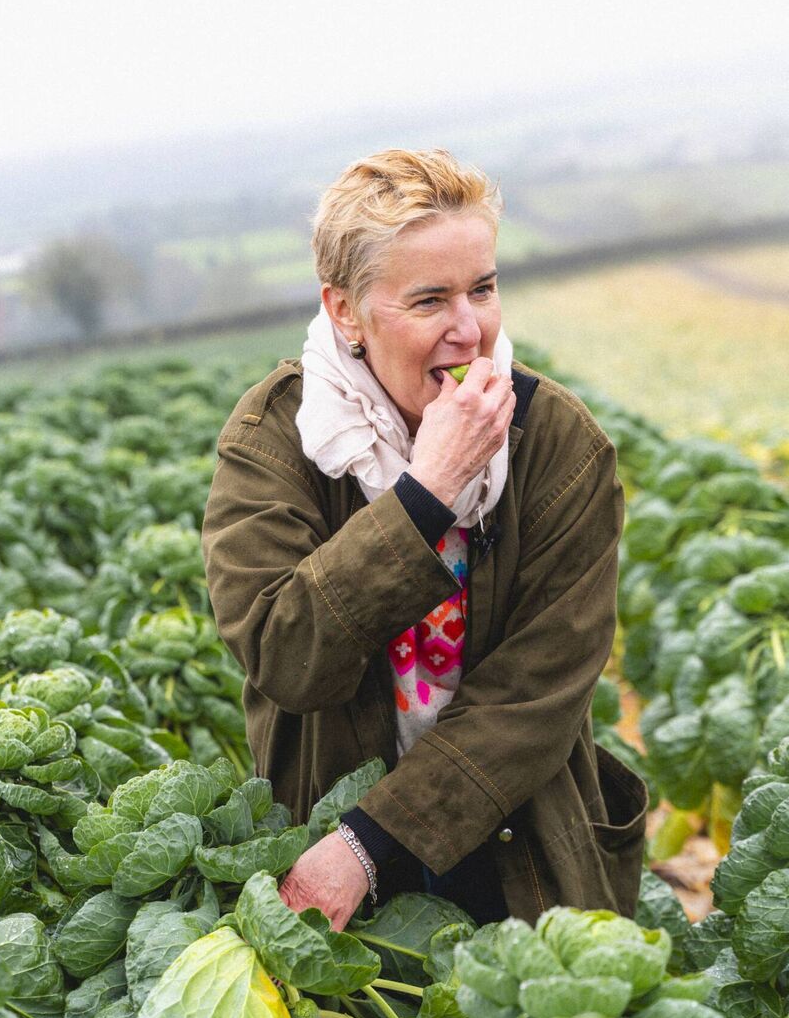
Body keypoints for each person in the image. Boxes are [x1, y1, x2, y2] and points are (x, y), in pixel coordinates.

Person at [201, 148, 647, 932]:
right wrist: (427, 493)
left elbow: (537, 693)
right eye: (430, 300)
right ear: (346, 312)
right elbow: (285, 655)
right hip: (322, 851)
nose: (469, 329)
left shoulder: (559, 443)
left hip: (523, 857)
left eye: (483, 288)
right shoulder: (275, 439)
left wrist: (372, 843)